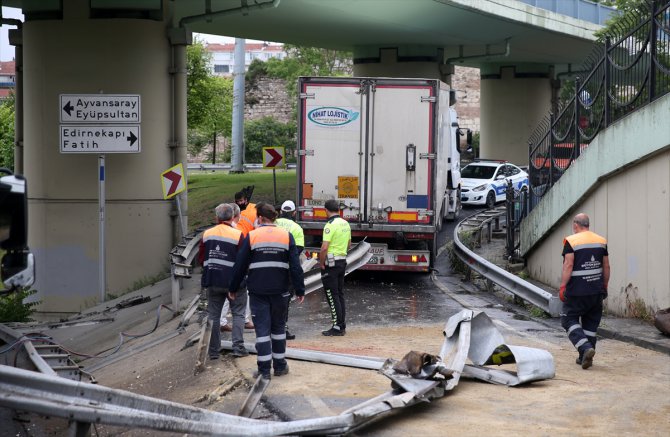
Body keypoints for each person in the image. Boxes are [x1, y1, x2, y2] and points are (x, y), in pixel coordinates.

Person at [230, 202, 305, 379]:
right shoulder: (287, 236)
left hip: (258, 291)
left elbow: (239, 266)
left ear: (261, 218)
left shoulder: (252, 236)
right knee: (278, 328)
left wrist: (233, 287)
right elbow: (295, 266)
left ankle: (264, 371)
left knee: (262, 331)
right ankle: (280, 366)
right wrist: (300, 289)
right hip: (281, 291)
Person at [559, 212, 610, 370]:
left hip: (577, 291)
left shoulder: (571, 241)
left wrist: (562, 286)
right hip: (596, 290)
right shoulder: (601, 241)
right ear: (587, 225)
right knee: (590, 323)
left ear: (575, 225)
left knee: (568, 319)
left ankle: (584, 348)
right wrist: (605, 285)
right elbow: (606, 266)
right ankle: (585, 357)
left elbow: (568, 265)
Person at [201, 203, 249, 359]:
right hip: (233, 284)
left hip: (213, 281)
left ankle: (214, 351)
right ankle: (238, 348)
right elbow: (243, 261)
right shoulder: (237, 235)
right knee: (239, 314)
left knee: (213, 316)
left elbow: (201, 258)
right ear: (232, 216)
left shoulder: (207, 234)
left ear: (217, 217)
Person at [219, 202, 254, 332]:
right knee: (238, 296)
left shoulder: (219, 231)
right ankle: (243, 321)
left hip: (222, 269)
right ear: (236, 216)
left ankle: (223, 321)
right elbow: (243, 254)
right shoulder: (237, 233)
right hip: (234, 270)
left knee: (225, 297)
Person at [319, 199, 351, 336]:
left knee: (332, 296)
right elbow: (349, 245)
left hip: (331, 264)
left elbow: (324, 247)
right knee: (339, 294)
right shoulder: (345, 223)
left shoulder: (329, 225)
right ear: (339, 210)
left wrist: (321, 263)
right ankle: (341, 324)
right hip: (342, 261)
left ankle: (337, 326)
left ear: (326, 210)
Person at [275, 200, 305, 340]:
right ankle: (282, 328)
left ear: (281, 211)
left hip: (268, 267)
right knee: (284, 300)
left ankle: (268, 326)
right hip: (285, 269)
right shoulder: (297, 228)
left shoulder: (272, 223)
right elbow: (297, 251)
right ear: (294, 213)